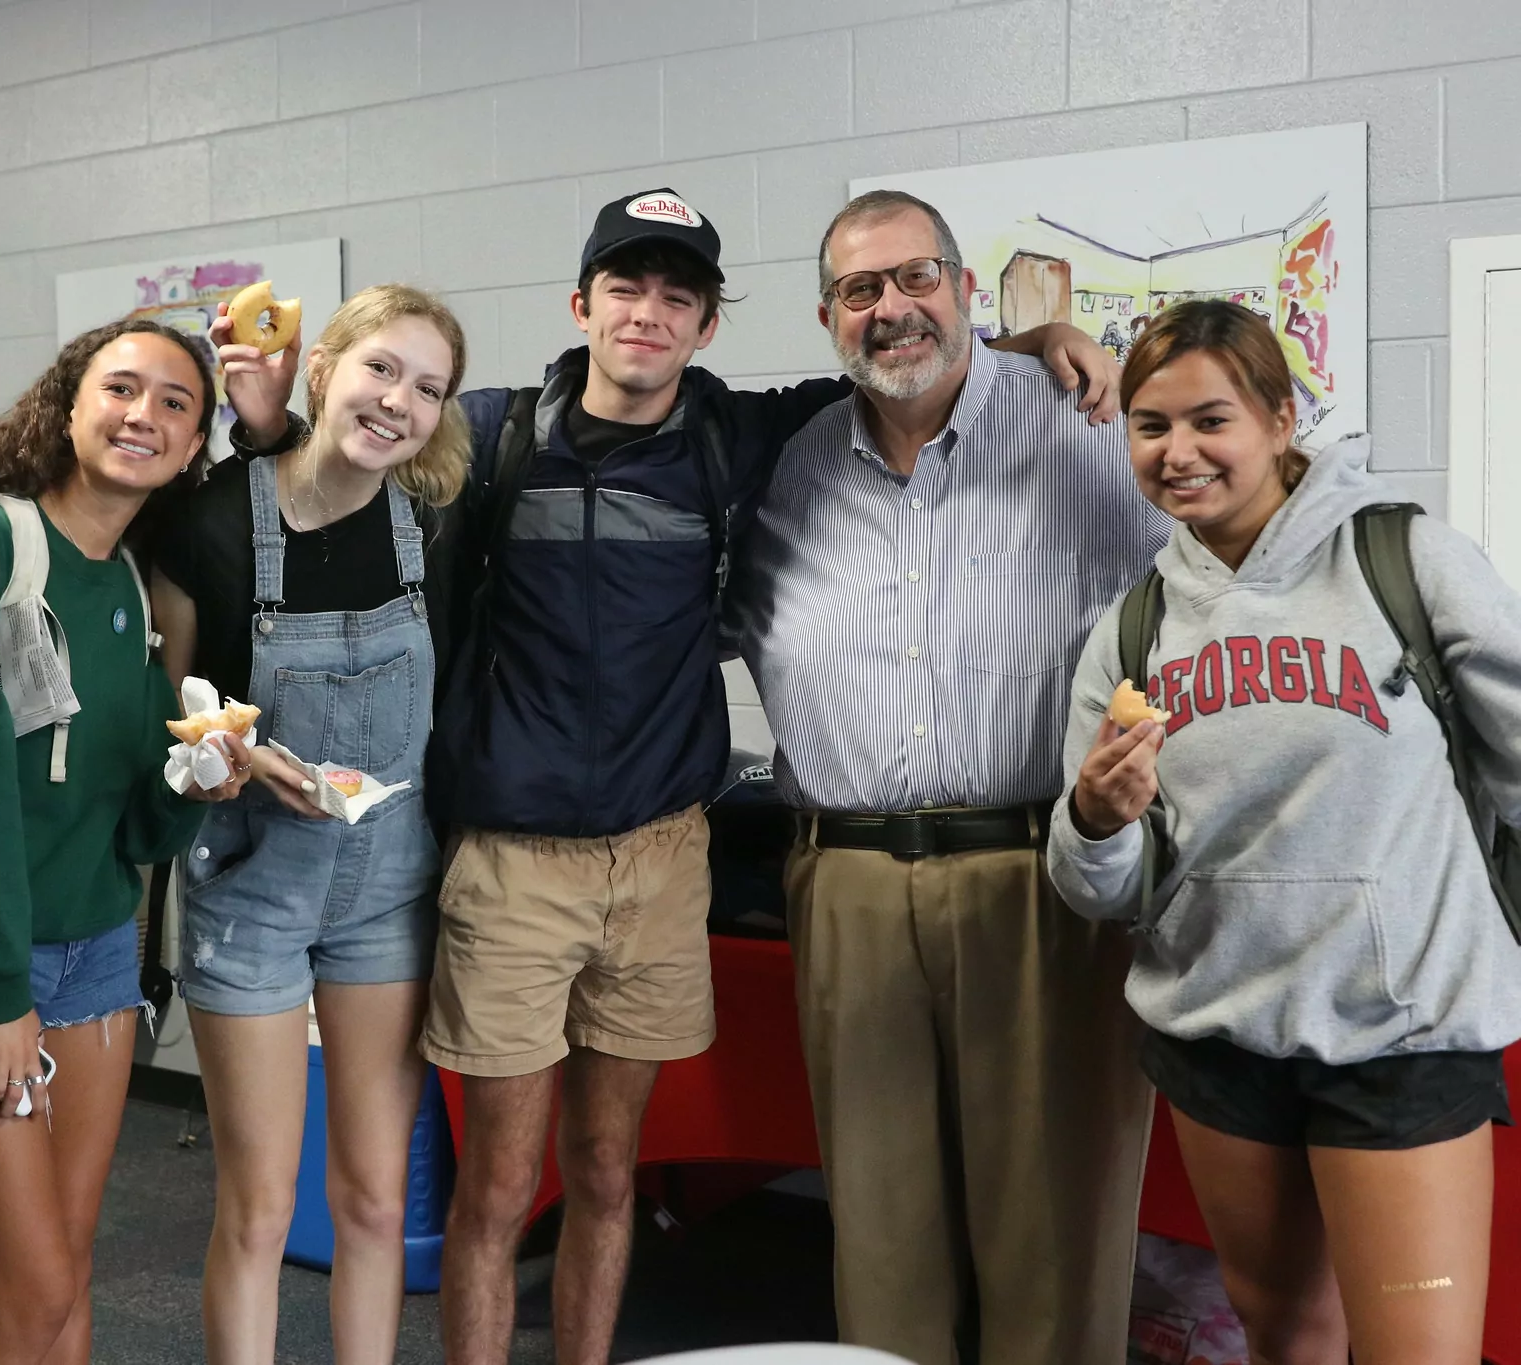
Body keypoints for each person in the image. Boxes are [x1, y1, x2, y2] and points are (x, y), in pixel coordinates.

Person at [349, 186, 1115, 1365]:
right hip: (509, 864)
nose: (648, 314)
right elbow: (341, 483)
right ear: (581, 304)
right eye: (625, 288)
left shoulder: (738, 437)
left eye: (678, 296)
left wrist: (1032, 340)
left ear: (707, 326)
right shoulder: (491, 436)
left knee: (609, 1174)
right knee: (502, 1197)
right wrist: (262, 419)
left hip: (663, 860)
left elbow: (908, 356)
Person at [731, 189, 1167, 1365]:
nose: (892, 309)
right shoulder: (786, 467)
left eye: (916, 278)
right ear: (826, 316)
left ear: (968, 291)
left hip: (1044, 880)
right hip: (847, 887)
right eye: (860, 291)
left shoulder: (1091, 424)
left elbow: (1226, 574)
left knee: (1054, 1245)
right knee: (878, 1243)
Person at [1050, 300, 1521, 1365]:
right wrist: (1092, 819)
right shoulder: (1132, 627)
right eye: (1149, 426)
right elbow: (1095, 888)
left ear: (1276, 415)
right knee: (1282, 1341)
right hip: (1215, 1027)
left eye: (1208, 419)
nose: (1178, 453)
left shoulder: (1405, 561)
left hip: (1399, 1038)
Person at [0, 317, 243, 1365]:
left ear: (190, 445)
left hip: (94, 959)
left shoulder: (131, 585)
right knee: (28, 1297)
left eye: (176, 403)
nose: (145, 416)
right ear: (67, 403)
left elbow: (131, 822)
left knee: (64, 1282)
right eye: (122, 389)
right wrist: (0, 990)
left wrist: (195, 783)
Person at [141, 283, 472, 1365]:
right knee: (260, 1208)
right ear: (321, 366)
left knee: (376, 1202)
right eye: (382, 368)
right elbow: (173, 726)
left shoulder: (432, 523)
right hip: (251, 894)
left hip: (387, 894)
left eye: (428, 388)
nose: (399, 402)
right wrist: (222, 759)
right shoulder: (212, 524)